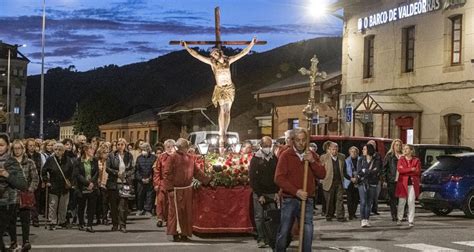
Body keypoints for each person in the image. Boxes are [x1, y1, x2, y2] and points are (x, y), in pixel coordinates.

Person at [182, 38, 256, 150]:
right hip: (220, 89)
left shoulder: (228, 60)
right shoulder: (212, 63)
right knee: (222, 110)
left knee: (228, 111)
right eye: (213, 54)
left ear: (219, 52)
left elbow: (243, 53)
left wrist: (251, 44)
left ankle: (225, 130)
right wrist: (187, 47)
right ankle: (222, 133)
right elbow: (197, 55)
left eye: (216, 52)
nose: (215, 55)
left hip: (229, 88)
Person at [274, 128, 326, 252]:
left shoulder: (311, 155)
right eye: (298, 140)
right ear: (293, 141)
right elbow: (278, 178)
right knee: (285, 229)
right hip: (290, 199)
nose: (301, 143)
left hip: (307, 199)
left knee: (307, 228)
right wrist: (296, 191)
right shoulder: (286, 155)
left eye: (304, 140)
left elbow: (322, 174)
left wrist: (313, 162)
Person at [163, 138, 211, 242]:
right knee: (175, 212)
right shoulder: (172, 158)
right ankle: (175, 233)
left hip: (187, 189)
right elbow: (167, 174)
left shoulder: (190, 158)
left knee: (186, 212)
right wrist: (169, 189)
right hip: (175, 189)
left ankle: (185, 233)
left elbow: (196, 172)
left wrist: (207, 180)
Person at [249, 136, 279, 248]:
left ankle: (271, 238)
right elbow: (253, 178)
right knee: (259, 217)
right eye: (266, 146)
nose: (268, 148)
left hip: (272, 192)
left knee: (272, 216)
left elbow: (277, 176)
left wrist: (277, 192)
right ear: (261, 146)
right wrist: (259, 194)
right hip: (259, 193)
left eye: (269, 146)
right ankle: (261, 238)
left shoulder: (274, 158)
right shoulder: (256, 159)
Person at [10, 140, 39, 251]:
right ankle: (13, 242)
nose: (17, 150)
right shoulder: (9, 162)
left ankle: (26, 241)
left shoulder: (29, 162)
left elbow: (35, 178)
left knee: (25, 220)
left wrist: (30, 190)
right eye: (15, 148)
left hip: (25, 195)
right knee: (11, 221)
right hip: (12, 195)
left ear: (23, 149)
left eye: (19, 148)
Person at [42, 143, 74, 230]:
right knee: (53, 204)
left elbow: (72, 172)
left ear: (63, 151)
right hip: (54, 185)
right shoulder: (50, 160)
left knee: (63, 205)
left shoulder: (68, 160)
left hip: (64, 186)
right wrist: (46, 181)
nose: (57, 151)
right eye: (56, 149)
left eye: (60, 150)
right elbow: (44, 171)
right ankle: (52, 221)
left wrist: (70, 182)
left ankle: (62, 221)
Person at [106, 138, 134, 233]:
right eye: (118, 144)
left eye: (122, 144)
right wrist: (116, 173)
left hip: (125, 183)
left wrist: (125, 174)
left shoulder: (129, 156)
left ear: (125, 145)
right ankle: (115, 224)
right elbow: (107, 168)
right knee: (113, 206)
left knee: (123, 206)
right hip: (113, 183)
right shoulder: (111, 155)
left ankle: (123, 225)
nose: (120, 146)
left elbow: (133, 168)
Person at [320, 142, 350, 222]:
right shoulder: (324, 157)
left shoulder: (342, 157)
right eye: (333, 149)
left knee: (339, 199)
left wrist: (349, 178)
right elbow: (320, 169)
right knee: (329, 200)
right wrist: (321, 180)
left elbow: (344, 170)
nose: (335, 151)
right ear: (329, 150)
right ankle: (329, 215)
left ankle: (340, 216)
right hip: (328, 181)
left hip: (339, 181)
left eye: (336, 149)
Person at [74, 144, 99, 232]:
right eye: (91, 149)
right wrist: (87, 183)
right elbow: (77, 174)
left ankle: (89, 225)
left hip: (92, 187)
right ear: (86, 151)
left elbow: (96, 172)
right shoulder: (78, 161)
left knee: (91, 207)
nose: (93, 151)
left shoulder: (95, 160)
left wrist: (92, 182)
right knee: (81, 206)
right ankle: (81, 223)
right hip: (82, 187)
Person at [356, 144, 382, 227]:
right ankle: (362, 219)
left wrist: (365, 171)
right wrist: (370, 171)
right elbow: (359, 172)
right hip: (362, 183)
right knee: (363, 201)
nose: (363, 151)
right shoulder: (361, 159)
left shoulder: (376, 160)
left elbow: (377, 170)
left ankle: (367, 219)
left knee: (369, 202)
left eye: (364, 149)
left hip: (373, 183)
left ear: (369, 150)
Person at [395, 144, 421, 227]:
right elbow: (400, 170)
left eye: (406, 149)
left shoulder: (416, 160)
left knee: (411, 201)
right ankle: (399, 218)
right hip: (403, 183)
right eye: (404, 149)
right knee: (402, 201)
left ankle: (411, 220)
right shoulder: (401, 160)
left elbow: (417, 171)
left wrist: (406, 170)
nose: (405, 150)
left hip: (412, 184)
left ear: (411, 150)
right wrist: (410, 169)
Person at [153, 139, 175, 228]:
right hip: (162, 182)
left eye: (171, 147)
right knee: (161, 201)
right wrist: (156, 183)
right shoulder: (161, 157)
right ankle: (160, 218)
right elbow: (157, 171)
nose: (169, 149)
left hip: (173, 183)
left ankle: (169, 219)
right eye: (168, 147)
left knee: (170, 202)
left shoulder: (176, 156)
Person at [383, 139, 403, 221]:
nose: (398, 146)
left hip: (402, 180)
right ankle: (394, 215)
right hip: (392, 180)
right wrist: (384, 180)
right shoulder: (389, 156)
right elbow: (384, 169)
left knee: (401, 199)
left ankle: (401, 214)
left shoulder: (403, 156)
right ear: (393, 146)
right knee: (393, 199)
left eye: (399, 145)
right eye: (396, 145)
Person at [25, 138, 42, 227]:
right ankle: (27, 218)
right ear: (27, 147)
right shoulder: (25, 155)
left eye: (33, 146)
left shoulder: (38, 155)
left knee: (36, 200)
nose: (32, 147)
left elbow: (39, 167)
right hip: (26, 181)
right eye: (30, 146)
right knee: (27, 201)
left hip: (36, 180)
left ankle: (35, 218)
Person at [135, 142, 156, 217]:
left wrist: (149, 178)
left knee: (149, 195)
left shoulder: (154, 158)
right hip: (141, 181)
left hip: (150, 180)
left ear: (148, 149)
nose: (144, 150)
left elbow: (154, 170)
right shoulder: (139, 158)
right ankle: (140, 209)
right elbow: (137, 170)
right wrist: (141, 179)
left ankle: (148, 210)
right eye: (142, 149)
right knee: (140, 195)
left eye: (145, 149)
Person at [344, 146, 361, 220]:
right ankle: (350, 214)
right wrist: (351, 178)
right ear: (349, 153)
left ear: (357, 153)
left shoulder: (361, 160)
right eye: (352, 152)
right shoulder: (346, 161)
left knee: (356, 199)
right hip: (349, 182)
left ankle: (354, 213)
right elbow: (344, 172)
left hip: (358, 181)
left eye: (355, 152)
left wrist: (358, 178)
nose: (353, 153)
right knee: (350, 199)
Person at [368, 140, 382, 215]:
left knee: (376, 195)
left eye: (374, 145)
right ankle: (368, 209)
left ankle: (375, 209)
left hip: (377, 178)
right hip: (368, 179)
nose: (373, 146)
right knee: (369, 195)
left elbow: (380, 166)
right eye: (371, 144)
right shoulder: (365, 155)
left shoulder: (378, 155)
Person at [97, 146, 110, 225]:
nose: (106, 154)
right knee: (98, 202)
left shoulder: (109, 161)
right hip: (97, 184)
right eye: (104, 153)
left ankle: (104, 218)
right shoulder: (97, 161)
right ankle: (98, 217)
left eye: (107, 152)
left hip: (106, 183)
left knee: (105, 202)